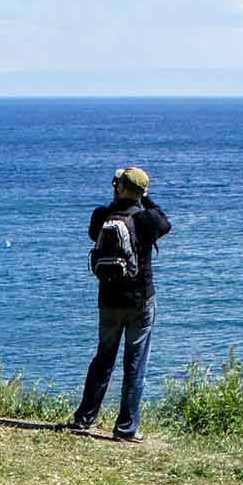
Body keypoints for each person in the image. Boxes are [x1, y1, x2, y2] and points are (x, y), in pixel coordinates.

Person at [71, 165, 171, 442]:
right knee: (135, 364)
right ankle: (126, 429)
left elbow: (94, 234)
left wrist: (119, 197)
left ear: (119, 186)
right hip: (141, 301)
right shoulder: (147, 219)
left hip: (108, 300)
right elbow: (165, 222)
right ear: (142, 191)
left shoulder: (102, 217)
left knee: (103, 359)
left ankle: (84, 419)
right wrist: (145, 198)